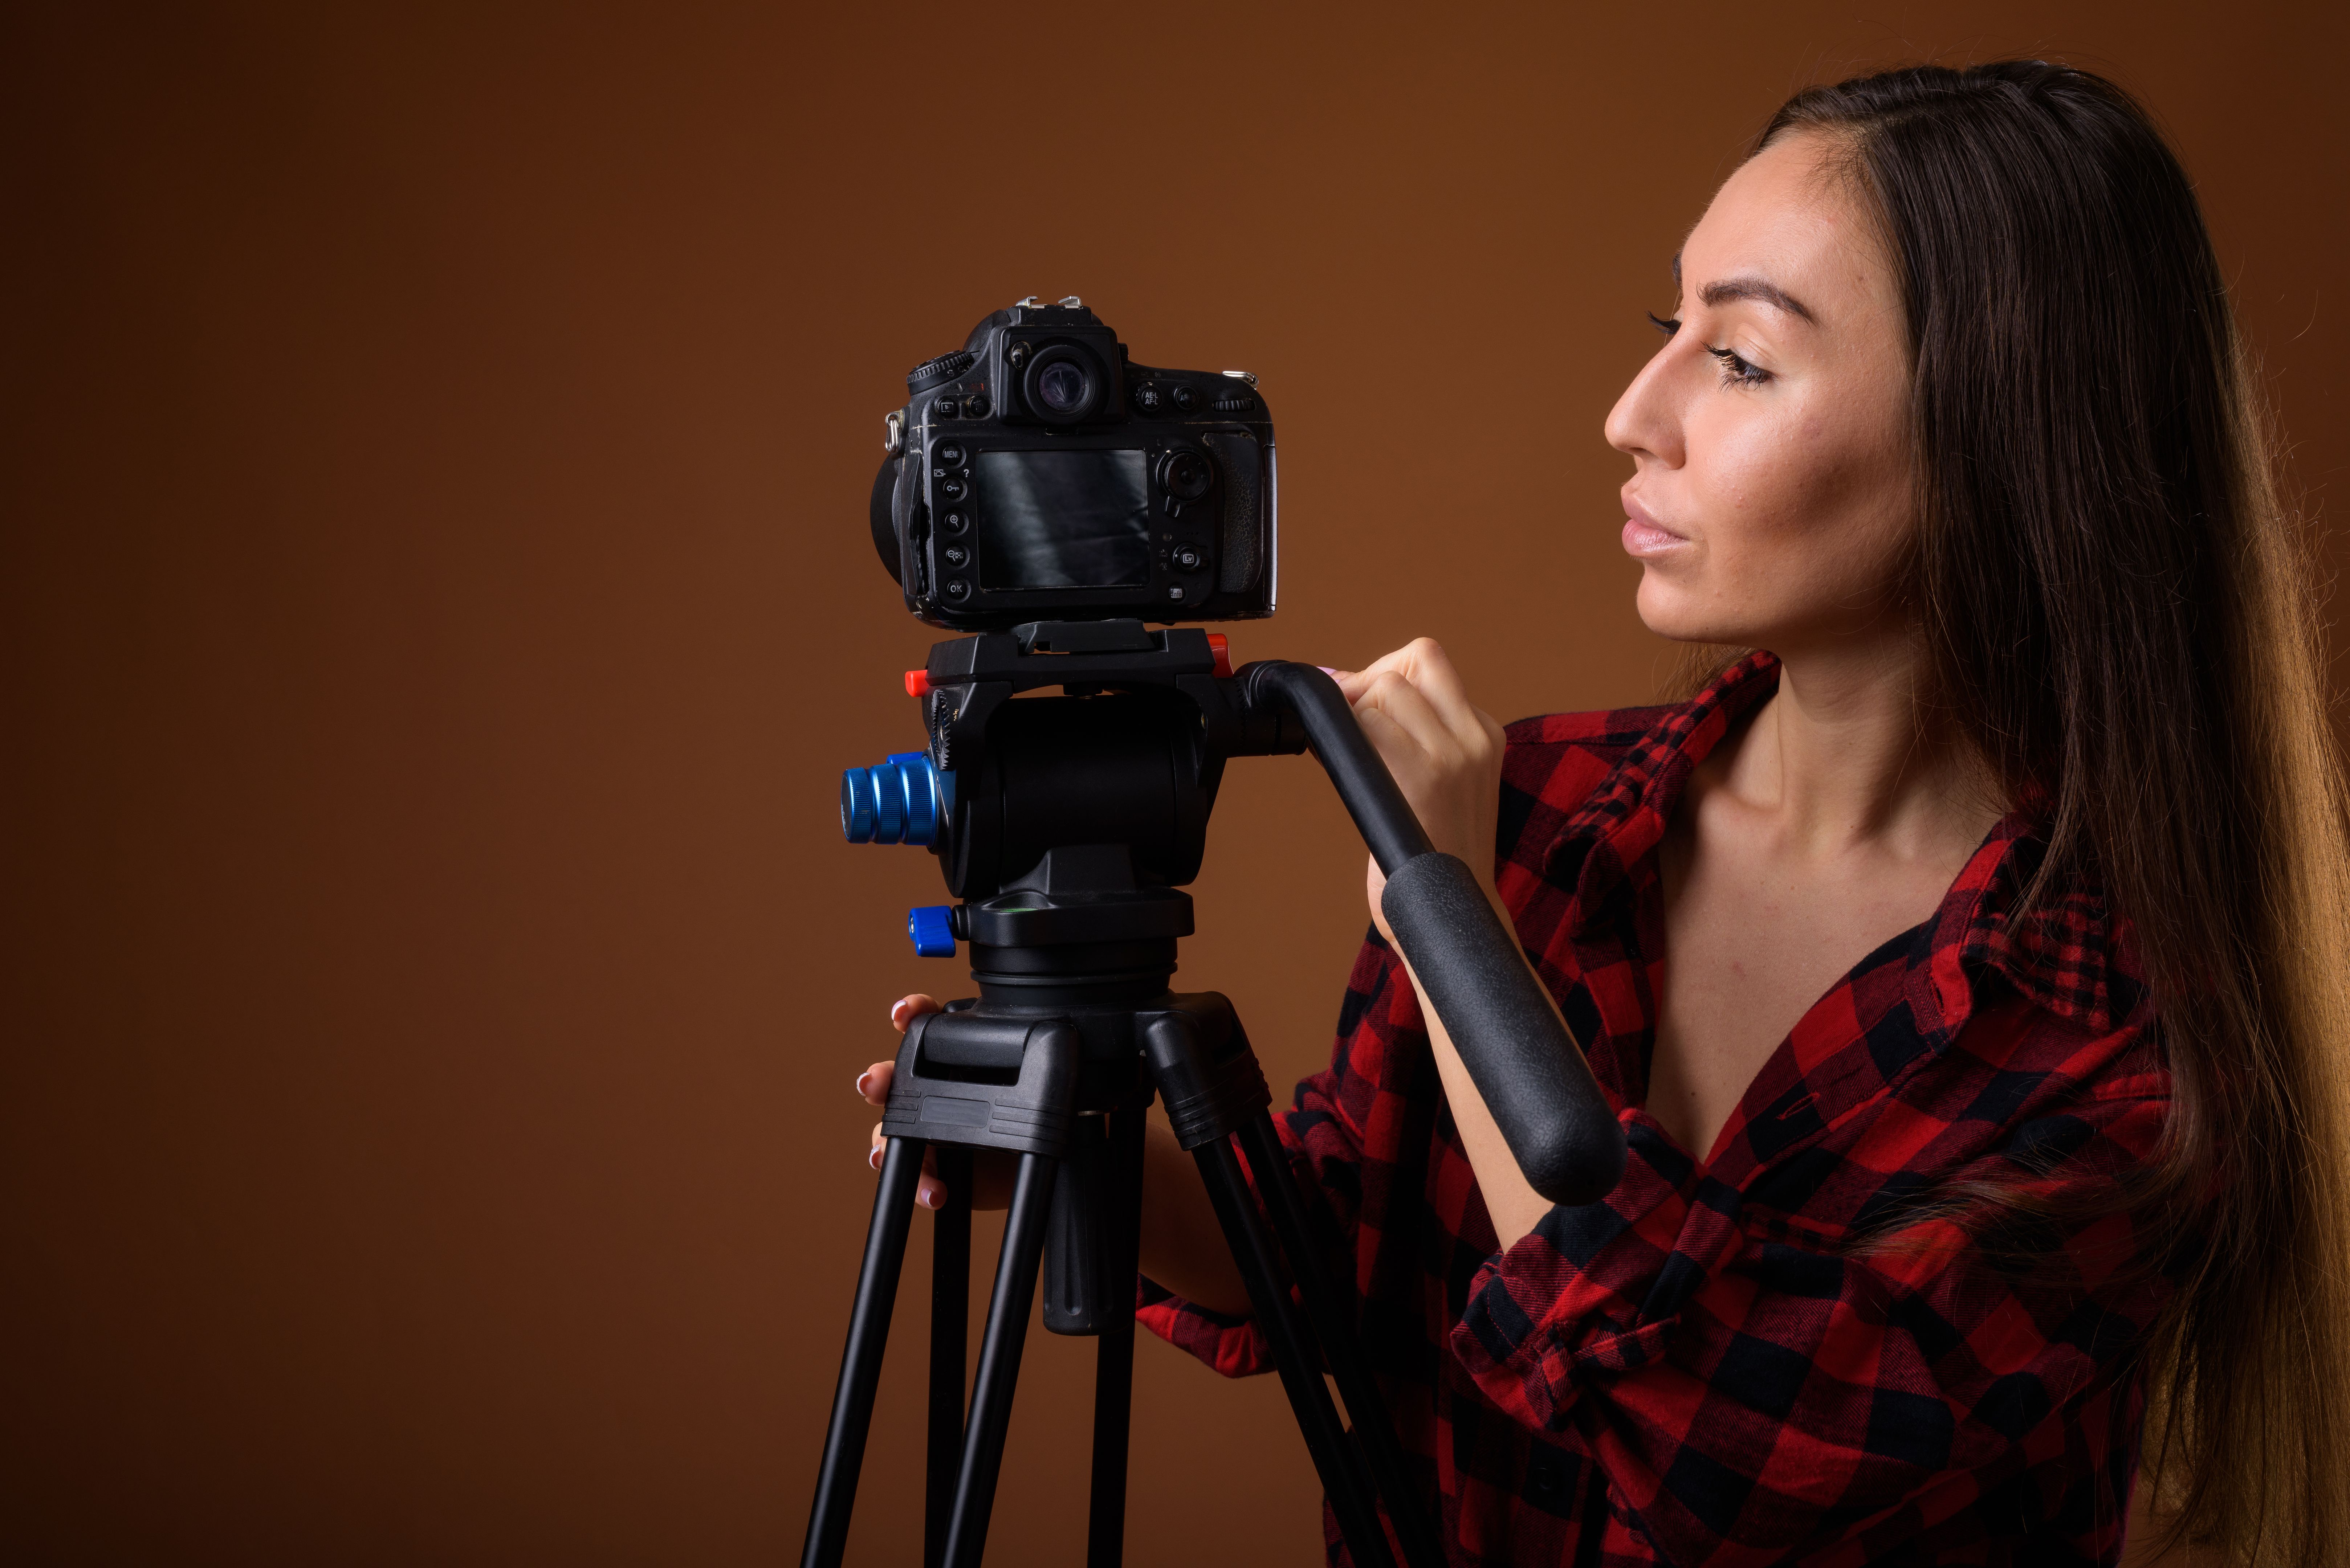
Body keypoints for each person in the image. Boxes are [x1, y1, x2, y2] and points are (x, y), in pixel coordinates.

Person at [858, 62, 2350, 1566]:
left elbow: (1727, 1459)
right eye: (1667, 332)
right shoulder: (1547, 808)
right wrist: (1081, 1167)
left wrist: (1450, 921)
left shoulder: (2126, 1025)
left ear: (2003, 437)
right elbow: (1339, 1258)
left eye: (1744, 361)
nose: (1633, 416)